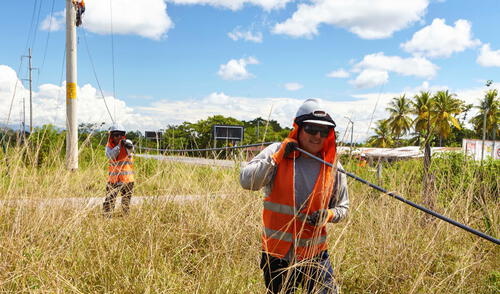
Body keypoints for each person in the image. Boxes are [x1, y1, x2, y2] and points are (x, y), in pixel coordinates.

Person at [240, 99, 349, 294]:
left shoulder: (333, 166)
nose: (317, 136)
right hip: (277, 254)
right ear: (298, 128)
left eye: (323, 132)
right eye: (311, 129)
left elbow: (343, 208)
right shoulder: (277, 152)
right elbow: (247, 182)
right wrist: (277, 157)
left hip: (315, 255)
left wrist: (329, 215)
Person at [103, 125, 135, 216]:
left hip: (127, 179)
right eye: (116, 135)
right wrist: (119, 146)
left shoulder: (127, 143)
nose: (118, 137)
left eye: (121, 135)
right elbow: (111, 156)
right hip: (113, 180)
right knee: (109, 200)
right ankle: (106, 217)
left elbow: (131, 149)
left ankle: (125, 218)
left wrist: (127, 145)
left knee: (126, 202)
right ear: (112, 136)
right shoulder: (108, 146)